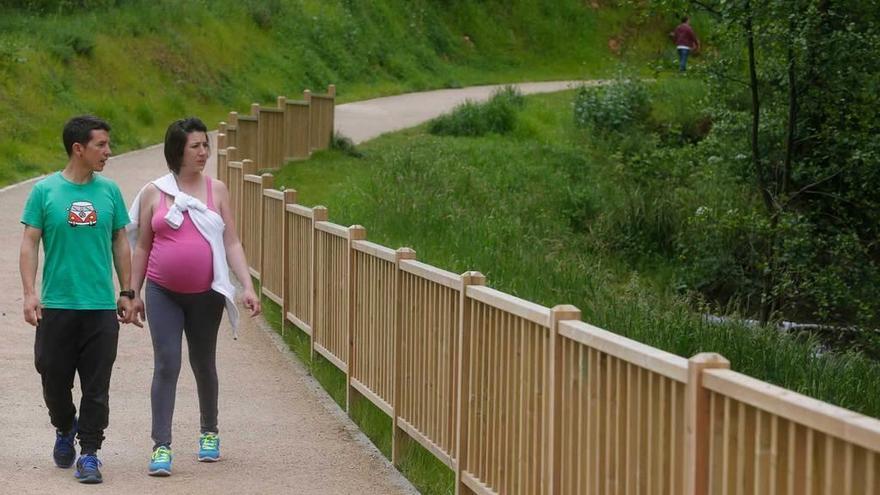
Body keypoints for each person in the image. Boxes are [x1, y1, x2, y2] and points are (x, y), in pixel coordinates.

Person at [127, 117, 260, 477]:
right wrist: (131, 292)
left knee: (204, 362)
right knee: (167, 363)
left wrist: (246, 285)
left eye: (206, 145)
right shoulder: (155, 192)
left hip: (206, 294)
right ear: (177, 151)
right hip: (162, 291)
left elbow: (231, 240)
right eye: (196, 146)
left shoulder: (216, 190)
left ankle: (209, 433)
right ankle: (161, 445)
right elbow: (141, 246)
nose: (203, 152)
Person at [19, 115, 134, 484]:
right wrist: (29, 293)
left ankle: (89, 453)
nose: (108, 152)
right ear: (78, 148)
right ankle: (65, 426)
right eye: (101, 145)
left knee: (97, 386)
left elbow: (120, 240)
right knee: (53, 378)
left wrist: (127, 291)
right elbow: (30, 242)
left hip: (99, 306)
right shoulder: (44, 192)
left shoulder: (110, 191)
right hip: (57, 304)